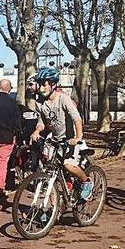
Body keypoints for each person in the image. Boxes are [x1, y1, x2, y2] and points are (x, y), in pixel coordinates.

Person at [28, 67, 93, 200]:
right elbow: (41, 122)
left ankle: (86, 182)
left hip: (70, 139)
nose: (41, 88)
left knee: (68, 165)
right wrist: (36, 131)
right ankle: (52, 209)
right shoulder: (40, 103)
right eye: (39, 84)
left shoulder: (63, 99)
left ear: (53, 84)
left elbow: (76, 118)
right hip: (56, 139)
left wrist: (78, 137)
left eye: (44, 84)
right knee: (50, 173)